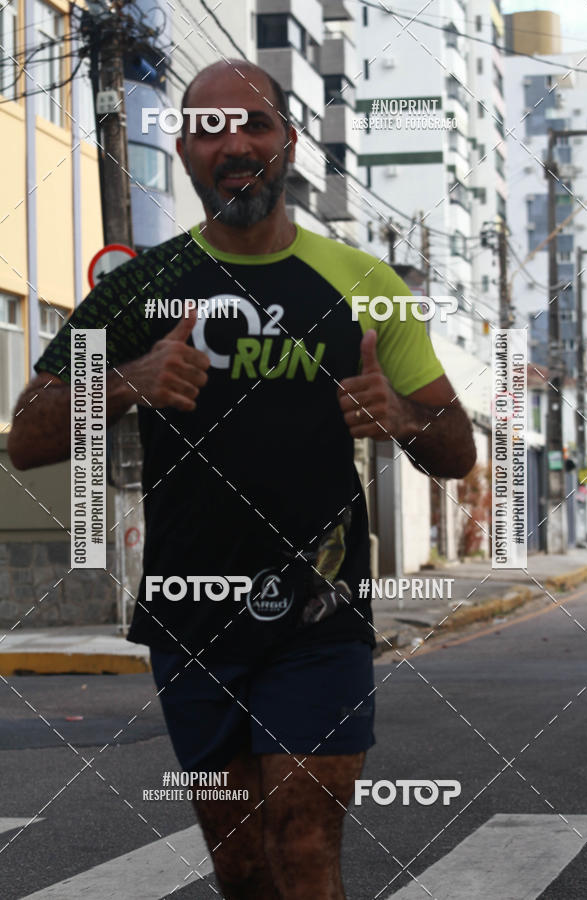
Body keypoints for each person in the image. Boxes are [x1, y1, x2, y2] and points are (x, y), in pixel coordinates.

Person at [8, 59, 476, 899]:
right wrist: (130, 383)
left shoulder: (366, 284)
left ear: (288, 142)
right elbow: (27, 437)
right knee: (243, 865)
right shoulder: (137, 293)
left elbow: (458, 453)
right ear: (184, 150)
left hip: (319, 616)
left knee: (302, 844)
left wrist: (405, 419)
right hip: (192, 617)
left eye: (255, 125)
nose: (237, 146)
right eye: (212, 130)